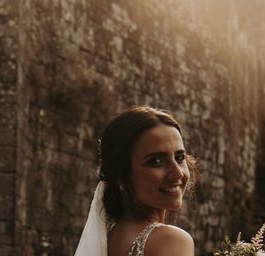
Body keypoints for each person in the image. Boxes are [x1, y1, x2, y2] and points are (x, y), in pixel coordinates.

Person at [74, 106, 198, 256]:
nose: (178, 173)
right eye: (156, 161)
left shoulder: (107, 238)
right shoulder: (171, 241)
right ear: (121, 174)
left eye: (179, 158)